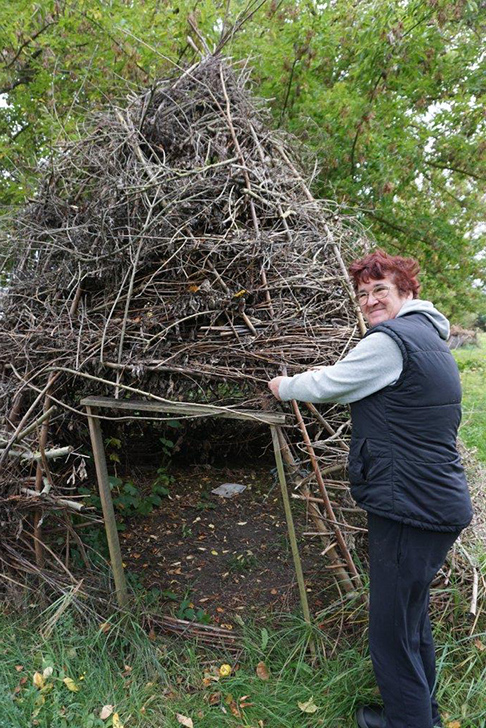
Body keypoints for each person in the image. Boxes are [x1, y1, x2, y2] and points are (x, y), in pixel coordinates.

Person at [268, 249, 473, 728]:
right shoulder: (430, 337)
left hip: (411, 507)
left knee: (389, 632)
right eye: (362, 293)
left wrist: (286, 385)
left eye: (380, 289)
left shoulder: (392, 342)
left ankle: (407, 724)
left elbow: (334, 383)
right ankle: (424, 716)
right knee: (410, 621)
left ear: (406, 291)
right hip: (431, 500)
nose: (370, 300)